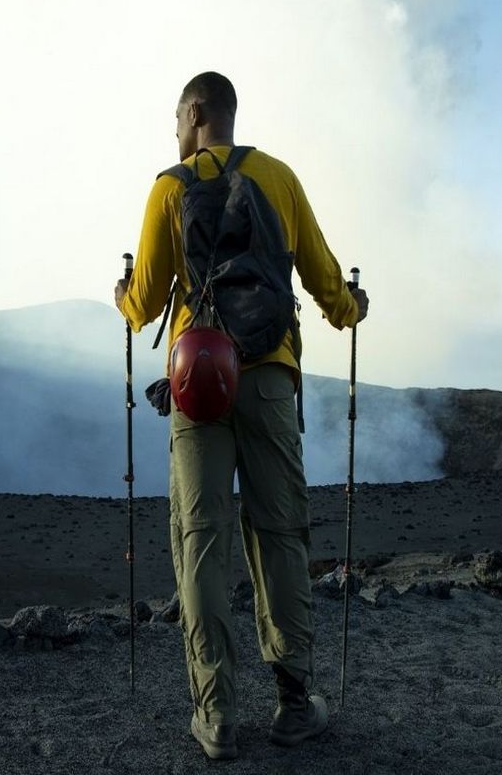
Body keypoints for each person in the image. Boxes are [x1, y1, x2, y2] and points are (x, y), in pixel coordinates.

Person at [114, 71, 369, 761]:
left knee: (200, 538)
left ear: (197, 115)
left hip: (197, 382)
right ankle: (292, 702)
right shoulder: (280, 178)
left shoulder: (169, 187)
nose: (172, 131)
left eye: (175, 119)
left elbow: (142, 303)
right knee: (280, 533)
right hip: (266, 381)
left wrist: (121, 295)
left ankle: (217, 715)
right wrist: (352, 308)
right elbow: (320, 274)